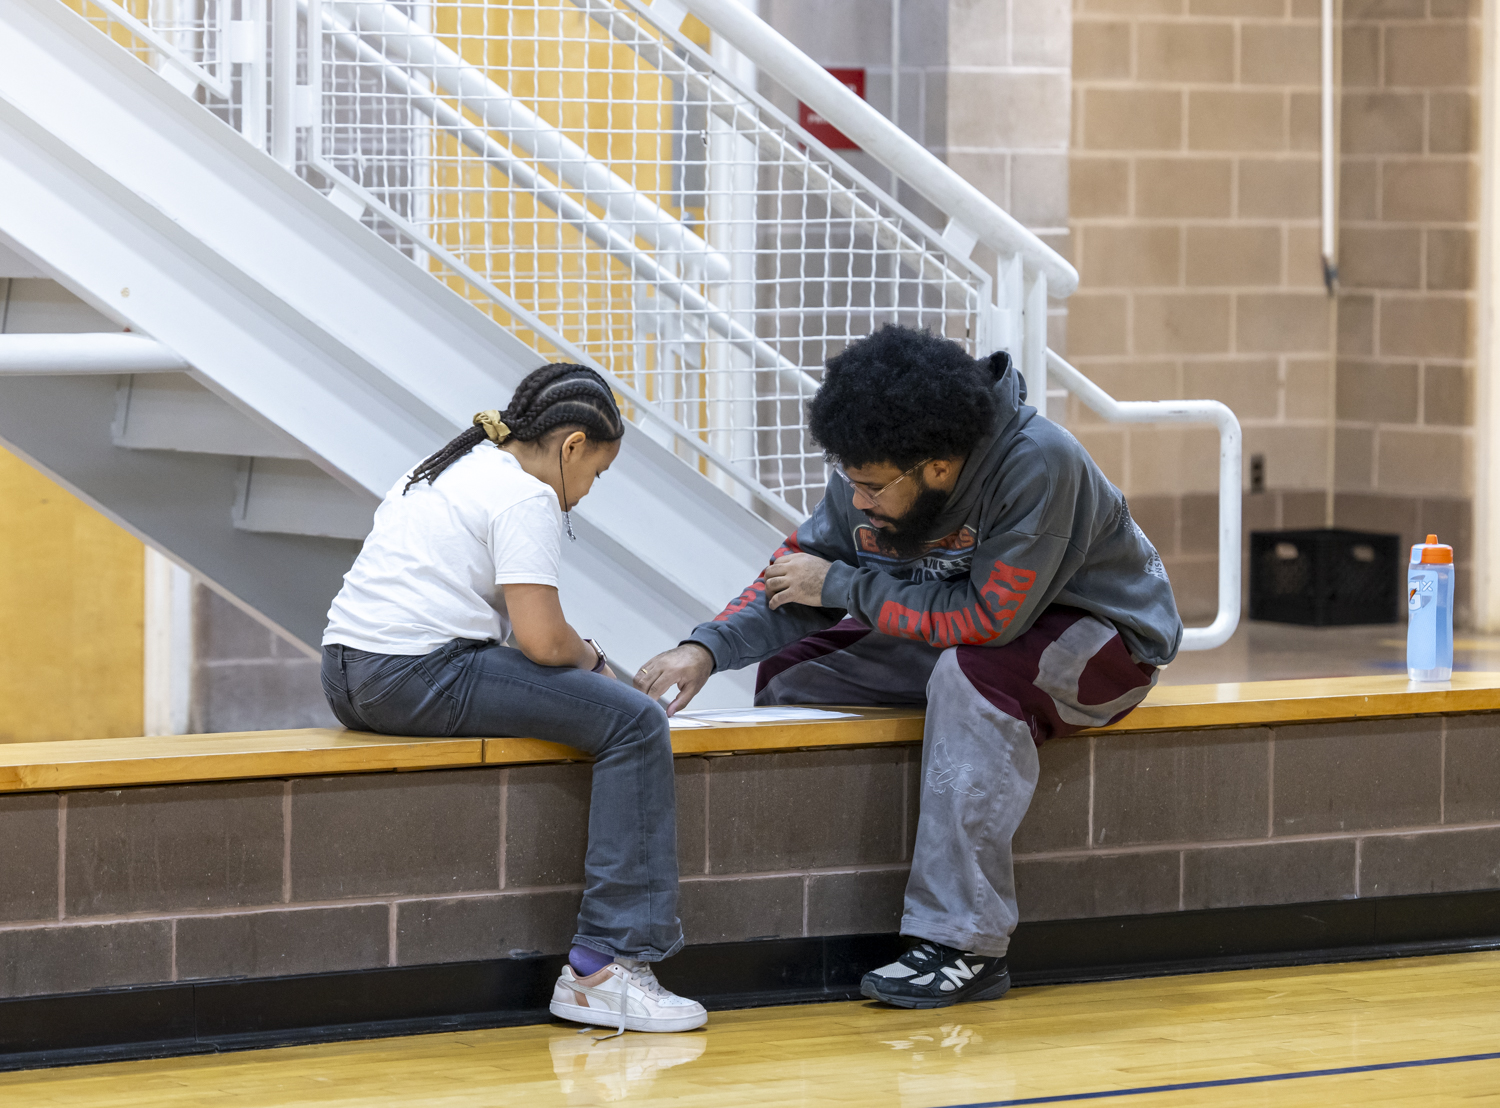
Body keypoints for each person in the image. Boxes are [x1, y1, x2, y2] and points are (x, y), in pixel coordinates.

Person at [635, 325, 1182, 1010]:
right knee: (794, 671)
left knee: (972, 680)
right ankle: (833, 898)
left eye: (869, 486)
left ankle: (964, 945)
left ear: (940, 468)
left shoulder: (1039, 463)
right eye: (850, 480)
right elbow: (795, 579)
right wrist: (705, 650)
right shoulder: (874, 469)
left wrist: (841, 587)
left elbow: (989, 622)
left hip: (1103, 639)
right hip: (969, 629)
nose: (857, 499)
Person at [320, 363, 706, 1036]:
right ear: (572, 446)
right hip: (415, 673)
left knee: (611, 711)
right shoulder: (525, 495)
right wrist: (597, 664)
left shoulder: (452, 465)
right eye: (596, 474)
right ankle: (605, 971)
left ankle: (604, 970)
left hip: (347, 673)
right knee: (638, 723)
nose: (585, 493)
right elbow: (543, 642)